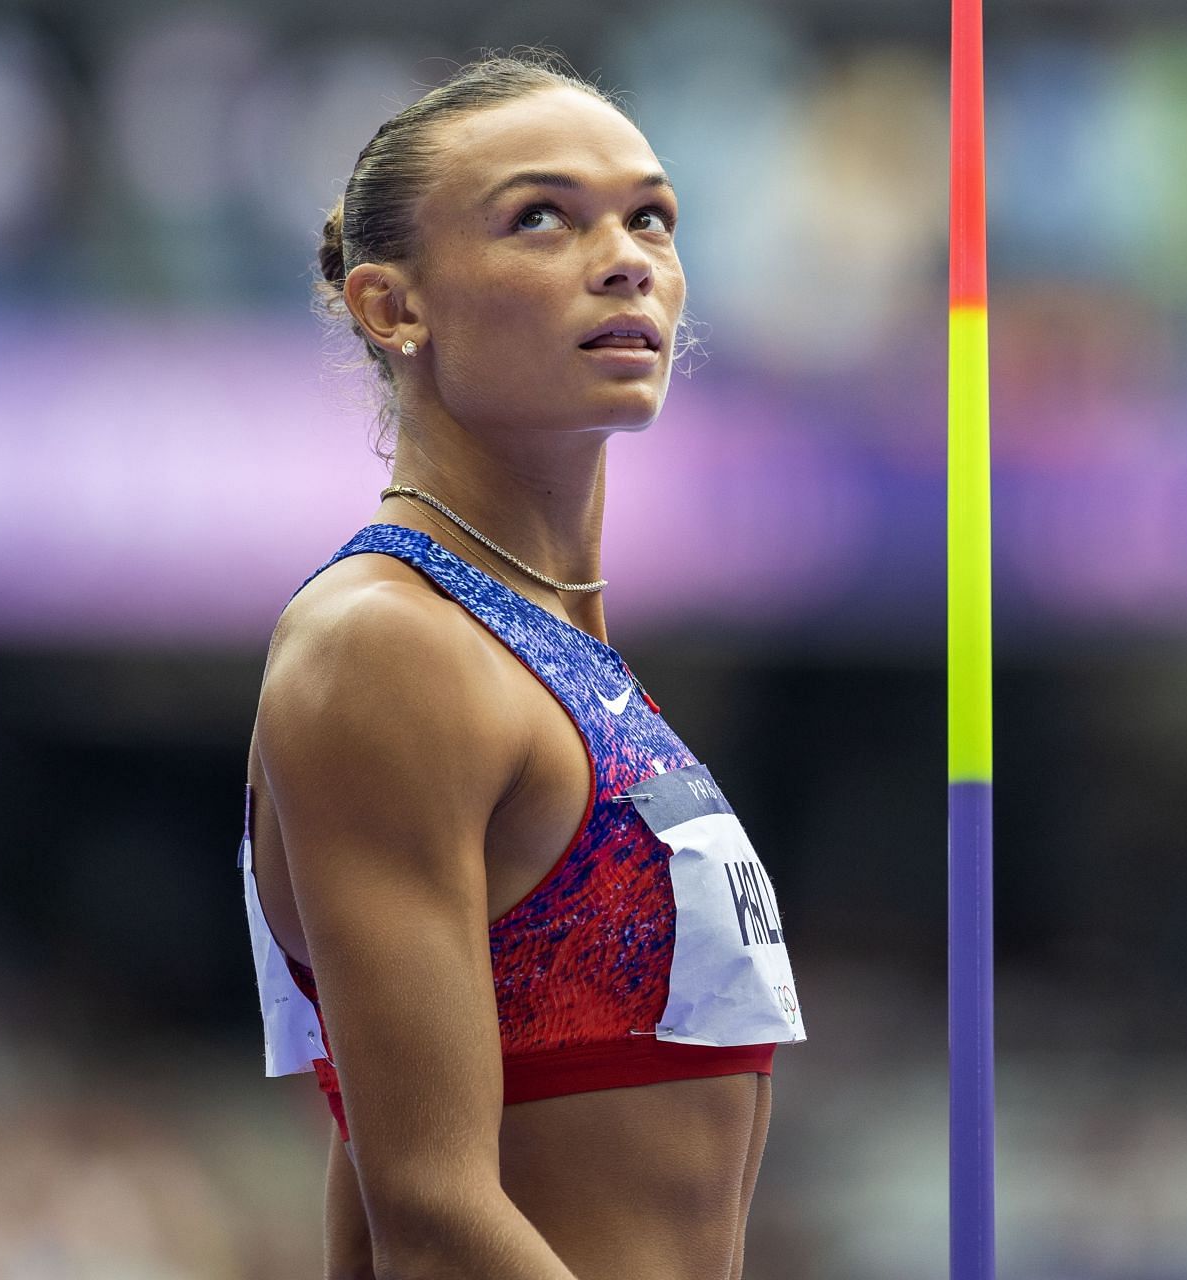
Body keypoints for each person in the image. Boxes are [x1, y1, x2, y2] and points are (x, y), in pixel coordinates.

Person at [236, 51, 807, 1280]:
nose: (625, 257)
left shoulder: (560, 654)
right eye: (540, 217)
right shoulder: (389, 644)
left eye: (651, 215)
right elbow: (432, 1215)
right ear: (394, 307)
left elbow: (369, 1183)